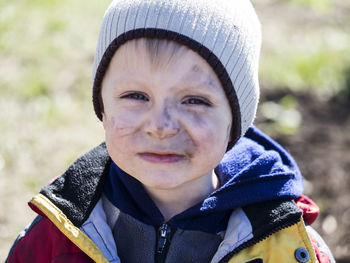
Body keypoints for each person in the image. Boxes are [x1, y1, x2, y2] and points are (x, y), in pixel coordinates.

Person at [6, 0, 335, 262]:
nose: (160, 126)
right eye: (136, 96)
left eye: (194, 100)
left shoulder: (287, 246)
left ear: (236, 120)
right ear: (103, 109)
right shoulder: (58, 233)